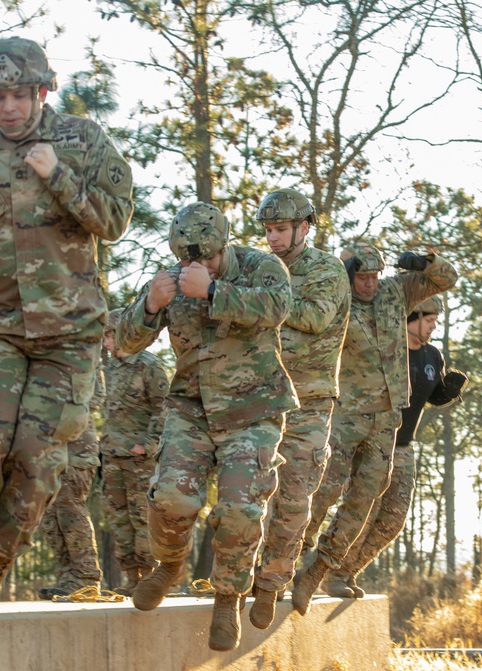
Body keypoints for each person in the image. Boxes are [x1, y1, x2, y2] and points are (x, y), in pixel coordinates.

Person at [0, 36, 133, 631]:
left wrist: (59, 174)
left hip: (70, 332)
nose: (7, 107)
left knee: (37, 459)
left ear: (43, 90)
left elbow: (113, 222)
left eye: (18, 94)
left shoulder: (83, 141)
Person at [115, 201, 296, 652]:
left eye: (208, 258)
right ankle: (171, 564)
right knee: (172, 498)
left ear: (225, 245)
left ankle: (226, 597)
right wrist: (151, 305)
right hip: (191, 408)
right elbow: (123, 339)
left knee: (239, 511)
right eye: (188, 260)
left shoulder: (261, 266)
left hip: (252, 409)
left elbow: (277, 307)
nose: (197, 266)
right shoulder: (170, 279)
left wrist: (214, 290)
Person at [293, 242, 458, 613]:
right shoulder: (335, 300)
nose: (369, 284)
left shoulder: (395, 294)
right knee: (321, 492)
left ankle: (319, 570)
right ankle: (281, 564)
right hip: (346, 415)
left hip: (387, 419)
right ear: (348, 273)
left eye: (374, 276)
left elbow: (447, 278)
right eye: (361, 277)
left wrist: (426, 263)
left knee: (366, 497)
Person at [248, 188, 350, 629]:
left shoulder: (327, 269)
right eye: (268, 231)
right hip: (259, 397)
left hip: (309, 402)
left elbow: (314, 317)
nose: (272, 238)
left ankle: (271, 582)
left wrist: (259, 298)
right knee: (245, 495)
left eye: (281, 230)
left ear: (304, 228)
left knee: (293, 498)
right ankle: (237, 577)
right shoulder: (256, 268)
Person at [323, 295, 468, 595]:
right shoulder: (386, 348)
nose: (432, 328)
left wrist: (450, 390)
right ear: (412, 317)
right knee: (363, 513)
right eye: (429, 322)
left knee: (393, 520)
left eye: (435, 323)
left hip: (404, 448)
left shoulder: (433, 356)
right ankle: (331, 573)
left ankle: (346, 571)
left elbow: (430, 395)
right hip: (373, 442)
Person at [100, 309, 169, 596]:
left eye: (108, 334)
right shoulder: (111, 369)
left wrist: (149, 444)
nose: (104, 341)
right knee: (119, 518)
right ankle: (131, 577)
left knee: (143, 517)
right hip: (112, 456)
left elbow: (165, 407)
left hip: (139, 459)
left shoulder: (148, 366)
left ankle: (150, 578)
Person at [37, 354, 106, 600]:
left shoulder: (80, 347)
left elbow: (96, 396)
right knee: (48, 514)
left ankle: (86, 576)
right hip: (44, 444)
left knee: (69, 508)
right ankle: (68, 576)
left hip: (76, 445)